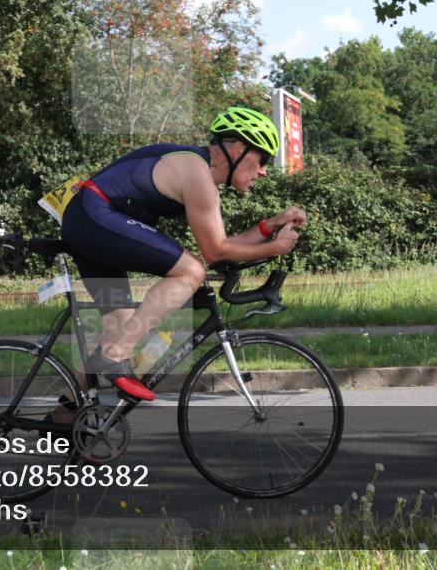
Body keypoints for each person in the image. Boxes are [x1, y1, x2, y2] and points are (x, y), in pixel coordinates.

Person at [58, 106, 306, 410]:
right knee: (190, 271)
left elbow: (224, 245)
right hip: (94, 216)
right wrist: (274, 248)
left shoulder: (199, 171)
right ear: (239, 148)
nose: (264, 170)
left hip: (88, 219)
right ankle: (115, 354)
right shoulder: (196, 173)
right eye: (262, 159)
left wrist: (271, 226)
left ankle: (66, 417)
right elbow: (214, 253)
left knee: (120, 326)